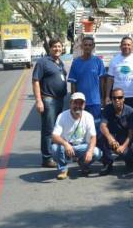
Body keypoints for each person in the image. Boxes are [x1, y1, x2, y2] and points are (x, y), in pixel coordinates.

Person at [32, 38, 67, 168]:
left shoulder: (60, 63)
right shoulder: (43, 62)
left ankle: (56, 154)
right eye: (54, 47)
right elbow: (35, 81)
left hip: (59, 100)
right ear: (50, 48)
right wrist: (38, 100)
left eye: (59, 46)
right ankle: (47, 158)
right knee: (48, 130)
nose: (57, 49)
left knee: (58, 129)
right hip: (48, 100)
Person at [51, 92, 102, 179]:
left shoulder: (88, 116)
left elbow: (93, 137)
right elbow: (54, 136)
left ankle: (83, 164)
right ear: (70, 103)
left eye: (80, 103)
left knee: (97, 152)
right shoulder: (62, 116)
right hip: (66, 147)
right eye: (75, 103)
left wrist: (89, 152)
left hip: (81, 146)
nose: (78, 106)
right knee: (54, 148)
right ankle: (63, 169)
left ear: (84, 105)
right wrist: (66, 144)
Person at [68, 36, 106, 123]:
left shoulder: (98, 62)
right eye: (85, 45)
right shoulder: (76, 63)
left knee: (95, 125)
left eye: (90, 45)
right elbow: (73, 83)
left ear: (93, 46)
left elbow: (102, 81)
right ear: (82, 46)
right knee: (80, 125)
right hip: (80, 102)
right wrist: (73, 99)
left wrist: (102, 98)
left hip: (95, 102)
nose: (87, 47)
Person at [98, 88, 133, 176]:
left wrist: (123, 147)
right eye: (114, 98)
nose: (117, 100)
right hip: (113, 136)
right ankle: (108, 163)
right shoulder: (107, 109)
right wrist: (111, 139)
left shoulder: (130, 111)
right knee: (102, 137)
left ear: (124, 98)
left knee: (126, 152)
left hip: (125, 138)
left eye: (119, 97)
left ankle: (129, 160)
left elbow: (131, 134)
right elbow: (103, 126)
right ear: (111, 99)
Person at [105, 36, 133, 110]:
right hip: (118, 97)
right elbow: (110, 79)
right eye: (124, 44)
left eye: (128, 45)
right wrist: (107, 96)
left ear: (132, 47)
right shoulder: (114, 60)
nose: (126, 46)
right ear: (120, 46)